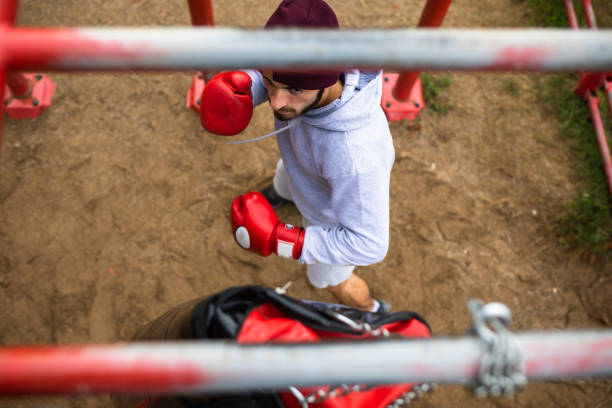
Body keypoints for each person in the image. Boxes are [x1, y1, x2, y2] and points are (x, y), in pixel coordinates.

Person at [201, 0, 394, 313]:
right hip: (302, 167)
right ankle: (283, 195)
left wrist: (281, 238)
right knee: (286, 178)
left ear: (327, 80)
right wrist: (247, 86)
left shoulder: (354, 157)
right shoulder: (316, 73)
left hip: (328, 215)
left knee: (332, 282)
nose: (277, 103)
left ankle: (372, 314)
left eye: (293, 89)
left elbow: (370, 243)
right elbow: (278, 75)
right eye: (270, 83)